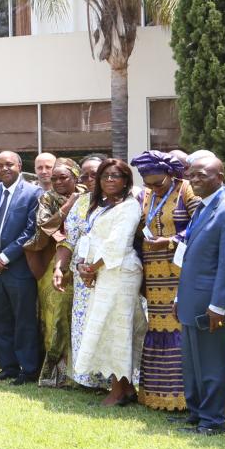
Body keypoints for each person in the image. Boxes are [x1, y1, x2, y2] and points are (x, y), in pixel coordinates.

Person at [176, 155, 225, 435]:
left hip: (210, 306)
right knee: (192, 363)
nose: (194, 180)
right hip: (191, 300)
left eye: (201, 175)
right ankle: (197, 414)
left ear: (220, 176)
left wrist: (219, 305)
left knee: (212, 364)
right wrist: (179, 298)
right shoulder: (202, 208)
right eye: (191, 175)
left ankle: (214, 420)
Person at [71, 158, 146, 407]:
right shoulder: (102, 206)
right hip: (103, 273)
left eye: (116, 176)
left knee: (118, 328)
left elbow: (116, 245)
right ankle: (125, 388)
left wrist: (91, 268)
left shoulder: (129, 207)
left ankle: (118, 390)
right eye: (105, 176)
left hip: (122, 271)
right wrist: (84, 265)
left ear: (126, 181)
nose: (110, 180)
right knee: (106, 327)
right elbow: (91, 240)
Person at [132, 150, 197, 411]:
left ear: (171, 175)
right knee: (156, 328)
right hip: (152, 273)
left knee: (178, 328)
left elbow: (200, 225)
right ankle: (156, 395)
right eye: (147, 181)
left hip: (179, 272)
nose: (152, 186)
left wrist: (171, 241)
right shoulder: (145, 194)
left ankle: (183, 398)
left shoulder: (187, 191)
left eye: (157, 182)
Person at [0, 151, 42, 384]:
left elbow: (31, 231)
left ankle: (29, 369)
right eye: (0, 165)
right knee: (0, 319)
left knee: (23, 319)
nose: (4, 168)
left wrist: (3, 258)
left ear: (19, 166)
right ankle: (8, 366)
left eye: (9, 164)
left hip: (19, 269)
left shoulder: (34, 193)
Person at [53, 155, 104, 387]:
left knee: (107, 326)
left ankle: (116, 382)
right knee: (85, 326)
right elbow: (69, 240)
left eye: (95, 173)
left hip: (109, 274)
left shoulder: (122, 200)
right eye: (84, 175)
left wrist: (95, 267)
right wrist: (59, 267)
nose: (89, 179)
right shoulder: (80, 202)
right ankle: (90, 380)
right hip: (82, 277)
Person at [33, 160, 82, 387]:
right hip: (54, 262)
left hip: (83, 263)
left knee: (78, 318)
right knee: (56, 318)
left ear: (75, 177)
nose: (58, 182)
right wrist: (68, 205)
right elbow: (44, 226)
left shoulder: (88, 195)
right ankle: (56, 374)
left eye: (64, 178)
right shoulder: (48, 198)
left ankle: (79, 375)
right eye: (54, 178)